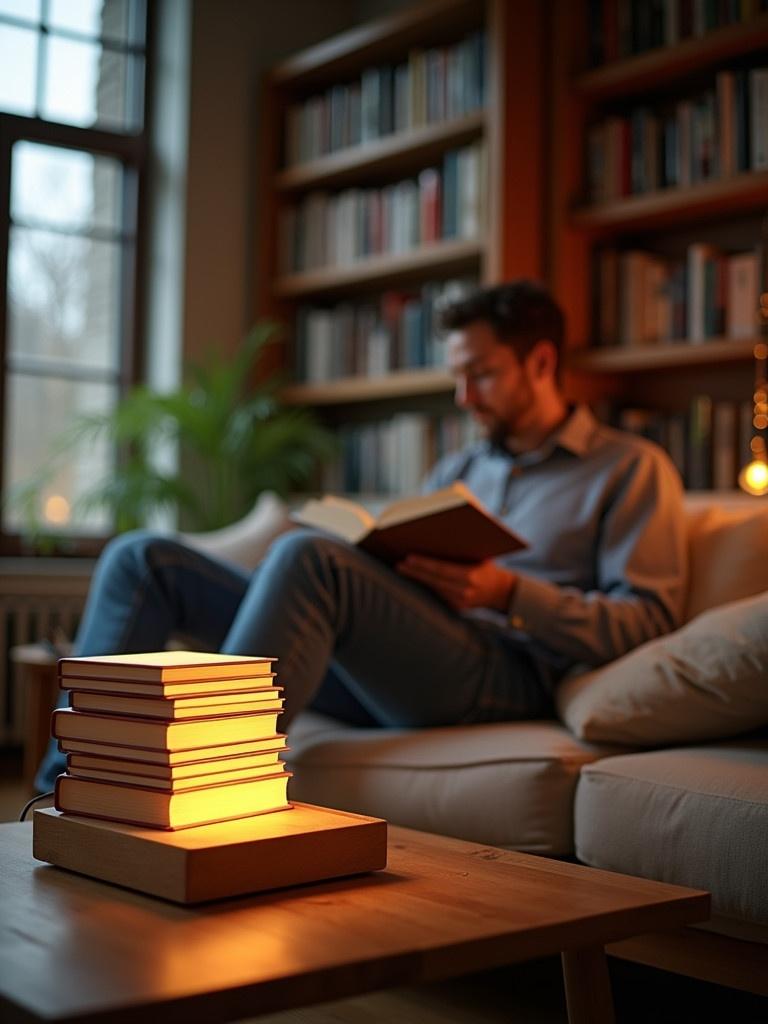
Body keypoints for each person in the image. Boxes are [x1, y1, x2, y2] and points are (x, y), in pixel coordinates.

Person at [35, 280, 688, 791]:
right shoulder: (462, 467)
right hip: (396, 662)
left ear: (541, 362)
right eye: (457, 376)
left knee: (309, 560)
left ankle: (205, 782)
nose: (463, 397)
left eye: (481, 374)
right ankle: (64, 793)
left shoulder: (629, 468)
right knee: (141, 557)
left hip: (503, 674)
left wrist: (508, 592)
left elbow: (648, 622)